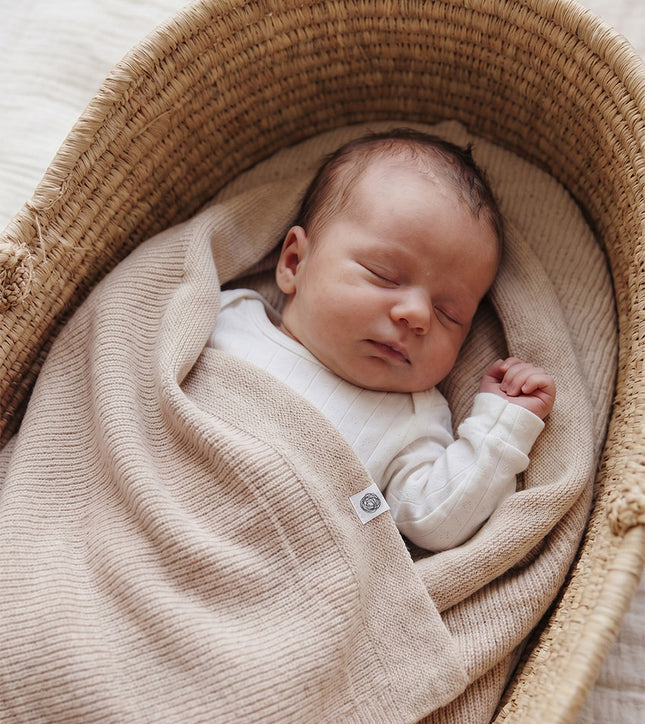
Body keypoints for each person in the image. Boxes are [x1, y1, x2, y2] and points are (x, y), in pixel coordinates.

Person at [209, 129, 556, 552]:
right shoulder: (225, 316)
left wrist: (500, 428)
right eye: (383, 275)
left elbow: (438, 522)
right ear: (294, 262)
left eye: (450, 313)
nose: (417, 315)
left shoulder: (411, 419)